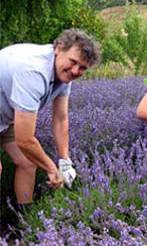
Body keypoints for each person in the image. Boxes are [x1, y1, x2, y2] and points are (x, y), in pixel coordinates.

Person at [0, 28, 100, 210]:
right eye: (73, 62)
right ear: (58, 48)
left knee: (28, 161)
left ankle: (24, 217)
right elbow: (24, 139)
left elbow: (60, 119)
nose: (75, 71)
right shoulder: (34, 71)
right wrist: (51, 169)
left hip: (4, 116)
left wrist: (64, 161)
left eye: (83, 68)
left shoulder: (63, 73)